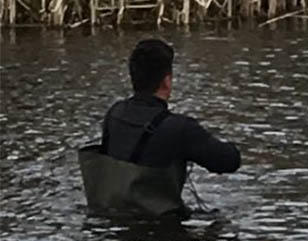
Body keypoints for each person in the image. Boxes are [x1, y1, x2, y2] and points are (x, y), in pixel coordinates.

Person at [79, 38, 240, 218]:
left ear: (133, 77)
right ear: (167, 82)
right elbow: (229, 161)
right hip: (160, 230)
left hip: (112, 222)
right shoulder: (180, 128)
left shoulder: (114, 114)